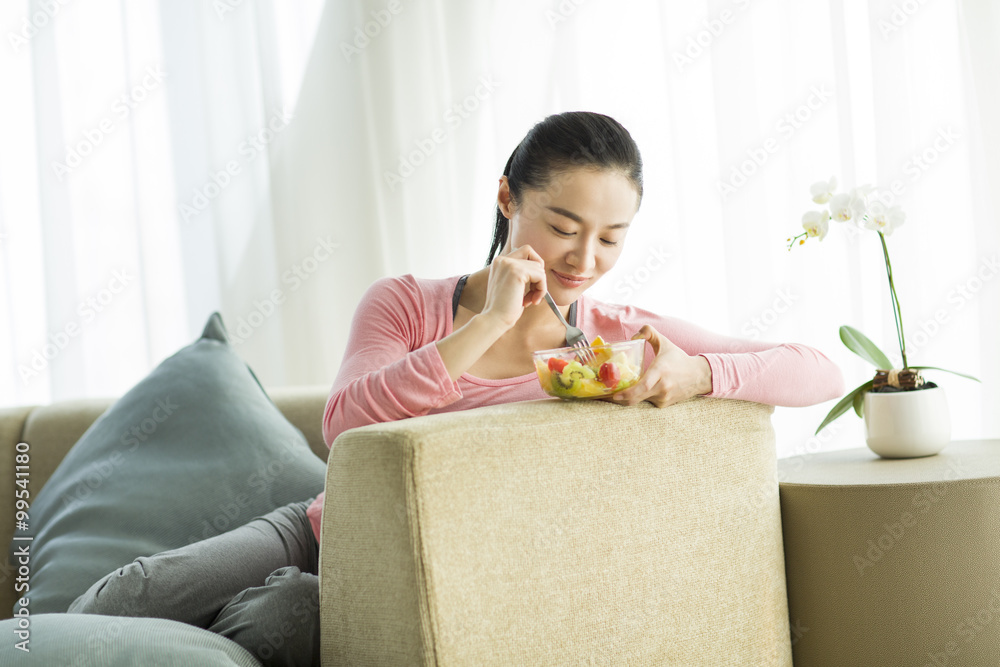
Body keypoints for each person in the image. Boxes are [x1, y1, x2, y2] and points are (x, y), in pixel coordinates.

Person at [70, 111, 844, 665]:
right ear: (507, 198)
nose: (584, 258)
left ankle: (258, 611)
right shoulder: (405, 303)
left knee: (287, 617)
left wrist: (700, 372)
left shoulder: (615, 332)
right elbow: (347, 423)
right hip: (319, 525)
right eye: (563, 225)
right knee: (120, 602)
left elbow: (819, 367)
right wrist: (486, 321)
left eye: (611, 237)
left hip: (434, 569)